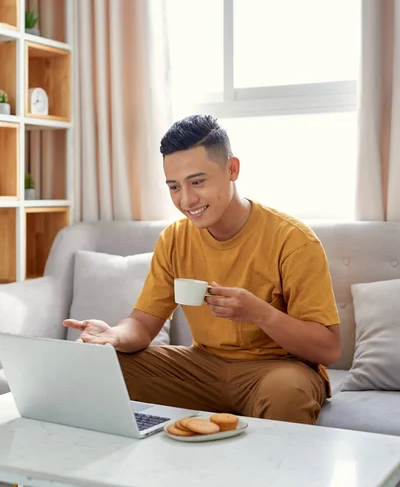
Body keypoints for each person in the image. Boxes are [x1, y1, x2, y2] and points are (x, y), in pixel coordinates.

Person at [64, 114, 341, 425]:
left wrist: (261, 313)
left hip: (277, 370)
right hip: (202, 368)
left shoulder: (293, 240)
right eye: (174, 187)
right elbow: (143, 324)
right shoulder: (175, 239)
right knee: (98, 365)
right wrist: (113, 337)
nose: (186, 199)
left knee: (286, 393)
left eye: (197, 182)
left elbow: (328, 349)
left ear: (232, 169)